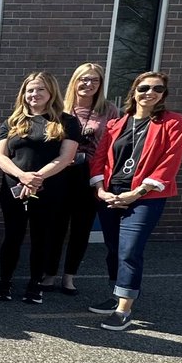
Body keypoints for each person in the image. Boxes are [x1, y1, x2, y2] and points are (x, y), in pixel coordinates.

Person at [87, 72, 182, 331]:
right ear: (134, 91)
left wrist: (137, 193)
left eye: (157, 89)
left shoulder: (173, 123)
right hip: (112, 193)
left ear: (164, 94)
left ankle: (124, 309)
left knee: (130, 249)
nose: (149, 93)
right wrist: (99, 188)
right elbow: (100, 159)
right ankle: (116, 294)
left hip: (145, 197)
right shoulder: (116, 124)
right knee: (113, 247)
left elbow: (170, 162)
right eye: (144, 88)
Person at [0, 72, 81, 304]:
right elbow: (1, 157)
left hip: (49, 189)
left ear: (51, 92)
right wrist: (23, 176)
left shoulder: (67, 122)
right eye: (30, 90)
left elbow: (65, 158)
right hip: (14, 188)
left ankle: (35, 284)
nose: (34, 94)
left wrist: (37, 178)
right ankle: (4, 282)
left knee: (42, 238)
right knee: (12, 237)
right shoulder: (11, 122)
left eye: (40, 89)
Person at [50, 62, 120, 295]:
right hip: (61, 173)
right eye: (84, 79)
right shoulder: (59, 108)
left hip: (89, 173)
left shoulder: (109, 110)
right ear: (75, 81)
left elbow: (112, 146)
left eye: (94, 80)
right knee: (56, 226)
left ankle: (69, 277)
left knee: (81, 228)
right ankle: (49, 273)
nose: (88, 84)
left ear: (100, 84)